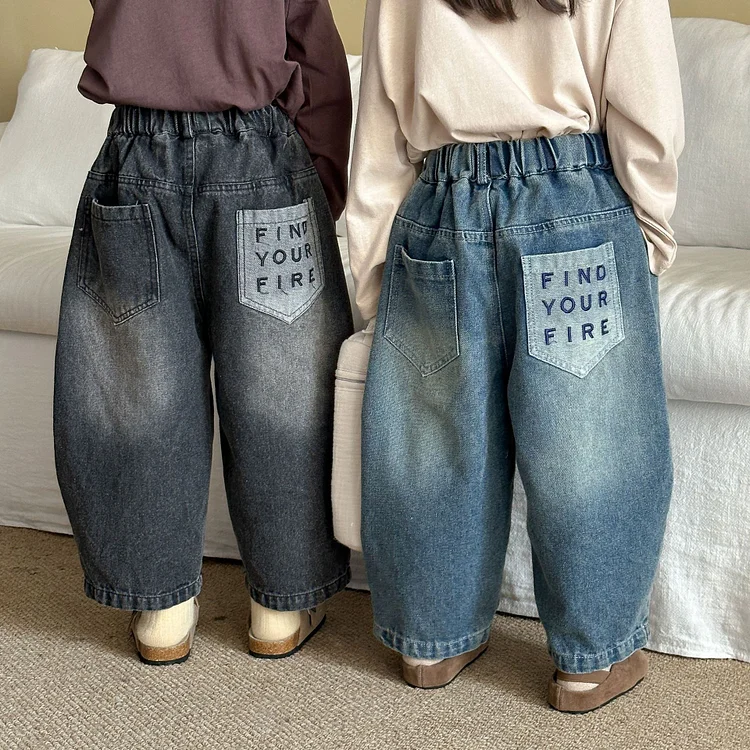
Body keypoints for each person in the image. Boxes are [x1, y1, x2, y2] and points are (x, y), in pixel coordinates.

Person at [347, 0, 683, 712]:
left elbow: (379, 123)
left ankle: (430, 641)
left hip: (439, 206)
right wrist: (650, 232)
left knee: (434, 437)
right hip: (574, 204)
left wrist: (375, 279)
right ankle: (591, 659)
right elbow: (645, 101)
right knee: (588, 444)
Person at [54, 0, 353, 666]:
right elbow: (315, 53)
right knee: (285, 392)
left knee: (135, 388)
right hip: (261, 160)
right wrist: (322, 182)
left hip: (136, 156)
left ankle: (161, 613)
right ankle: (281, 607)